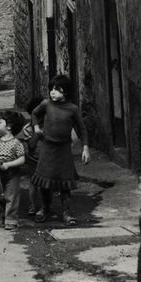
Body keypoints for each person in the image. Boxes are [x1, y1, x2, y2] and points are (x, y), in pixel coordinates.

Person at [31, 75, 90, 224]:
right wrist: (37, 127)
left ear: (66, 92)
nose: (52, 92)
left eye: (57, 90)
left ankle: (67, 212)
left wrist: (85, 148)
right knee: (44, 181)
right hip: (47, 148)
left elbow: (82, 129)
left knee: (65, 183)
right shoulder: (46, 104)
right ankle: (45, 209)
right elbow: (34, 114)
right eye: (51, 89)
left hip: (63, 150)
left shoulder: (73, 109)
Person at [0, 110, 26, 231]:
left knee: (11, 196)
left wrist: (9, 164)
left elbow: (22, 159)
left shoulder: (16, 143)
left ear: (8, 126)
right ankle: (3, 214)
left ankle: (11, 219)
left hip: (12, 174)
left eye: (0, 122)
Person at [15, 96, 44, 217]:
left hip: (43, 158)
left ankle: (39, 207)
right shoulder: (29, 129)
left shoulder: (29, 128)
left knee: (40, 184)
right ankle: (34, 206)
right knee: (36, 184)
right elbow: (30, 145)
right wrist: (38, 133)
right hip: (34, 158)